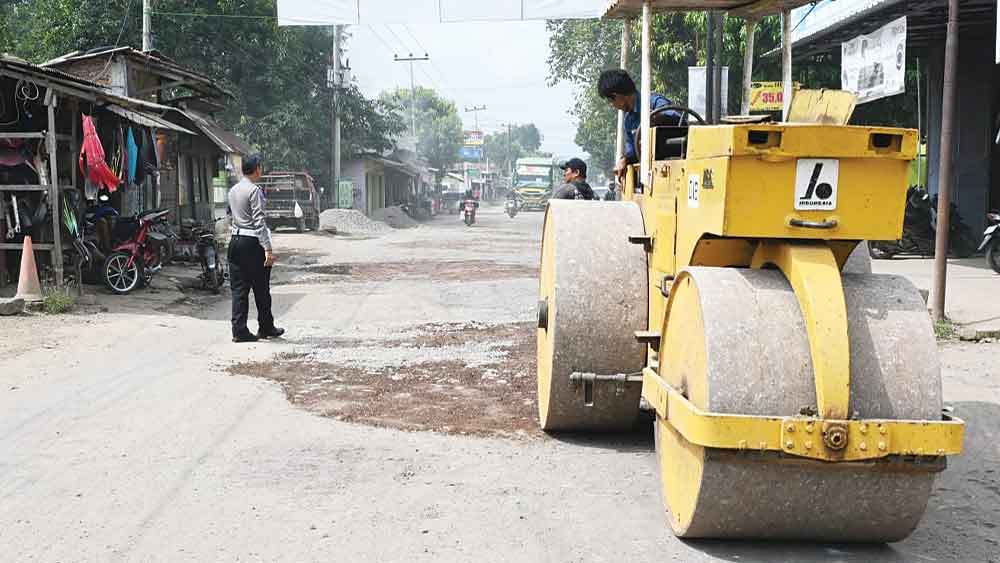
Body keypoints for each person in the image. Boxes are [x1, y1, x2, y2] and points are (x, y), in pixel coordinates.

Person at [228, 154, 284, 343]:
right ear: (257, 168)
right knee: (261, 287)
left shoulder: (233, 190)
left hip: (235, 240)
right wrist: (268, 249)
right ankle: (266, 327)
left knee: (239, 289)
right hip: (252, 243)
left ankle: (239, 330)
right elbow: (259, 223)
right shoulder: (254, 191)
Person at [598, 69, 681, 178]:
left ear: (617, 96)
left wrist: (658, 118)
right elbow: (633, 151)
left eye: (611, 101)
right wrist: (625, 159)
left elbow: (678, 120)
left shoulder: (654, 102)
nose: (612, 105)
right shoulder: (628, 121)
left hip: (675, 167)